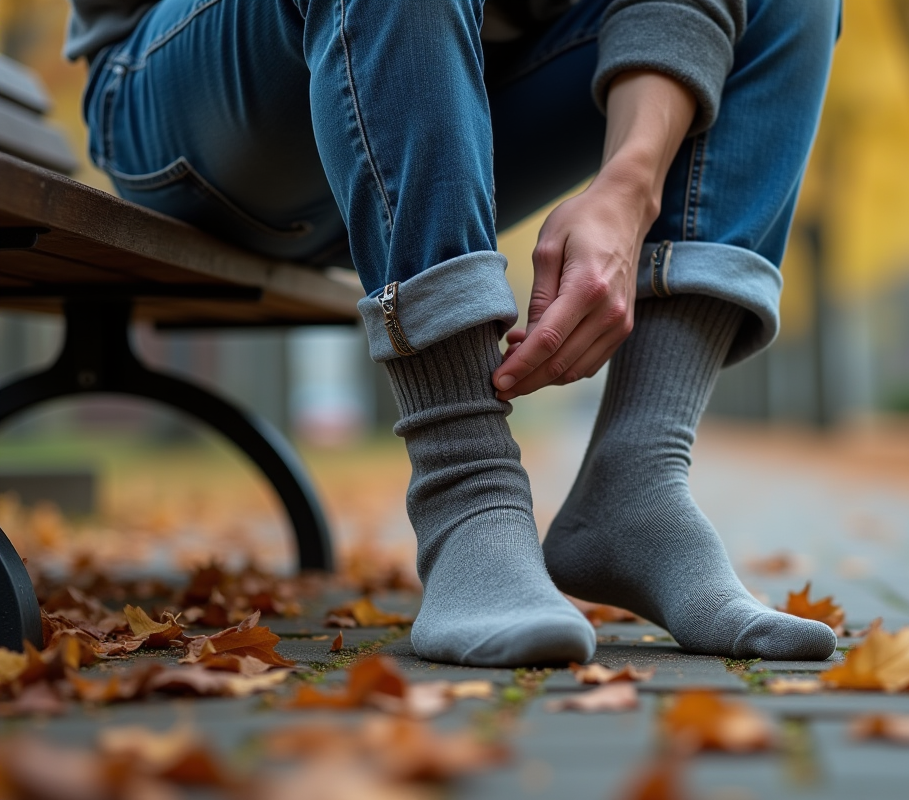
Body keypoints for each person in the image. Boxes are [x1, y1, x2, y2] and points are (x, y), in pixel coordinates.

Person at [66, 0, 842, 667]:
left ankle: (636, 488)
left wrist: (629, 184)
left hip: (444, 71)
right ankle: (467, 491)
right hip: (183, 98)